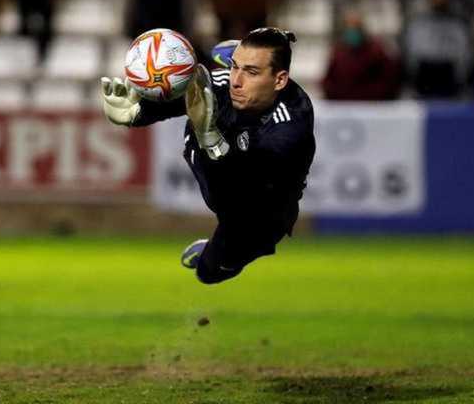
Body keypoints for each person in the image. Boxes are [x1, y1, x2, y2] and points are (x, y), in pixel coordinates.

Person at [101, 28, 315, 285]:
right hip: (215, 163)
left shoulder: (290, 129)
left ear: (279, 80)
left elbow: (243, 188)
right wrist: (137, 113)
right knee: (204, 96)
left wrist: (210, 137)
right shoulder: (228, 81)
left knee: (209, 272)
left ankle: (215, 254)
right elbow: (188, 92)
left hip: (260, 209)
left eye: (252, 72)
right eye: (235, 66)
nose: (236, 80)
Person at [322, 10, 400, 101]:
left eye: (356, 28)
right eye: (349, 28)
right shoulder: (338, 52)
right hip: (343, 105)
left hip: (372, 105)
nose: (352, 32)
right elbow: (328, 81)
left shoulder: (376, 51)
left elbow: (389, 80)